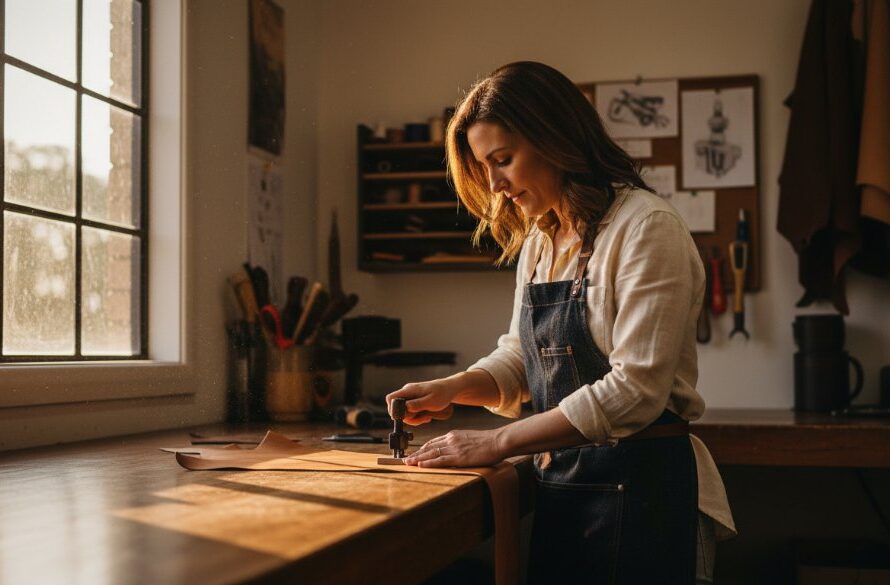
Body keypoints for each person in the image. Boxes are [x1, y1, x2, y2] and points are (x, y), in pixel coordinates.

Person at [385, 61, 735, 585]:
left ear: (555, 139)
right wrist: (454, 388)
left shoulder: (646, 229)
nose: (496, 185)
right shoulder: (542, 241)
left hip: (648, 496)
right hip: (566, 490)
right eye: (485, 169)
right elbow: (522, 357)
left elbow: (635, 390)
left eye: (502, 160)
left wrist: (497, 443)